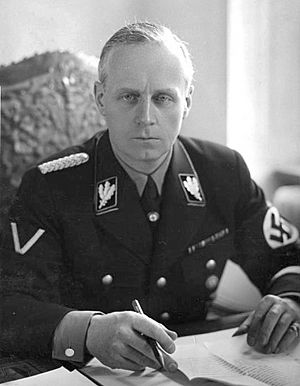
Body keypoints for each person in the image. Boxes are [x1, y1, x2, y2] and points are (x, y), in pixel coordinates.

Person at [1, 21, 300, 373]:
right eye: (129, 97)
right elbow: (9, 305)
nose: (146, 118)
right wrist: (89, 331)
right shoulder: (51, 185)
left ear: (186, 102)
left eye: (163, 98)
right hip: (88, 370)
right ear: (100, 99)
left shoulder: (222, 171)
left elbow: (287, 258)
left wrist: (290, 301)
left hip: (197, 362)